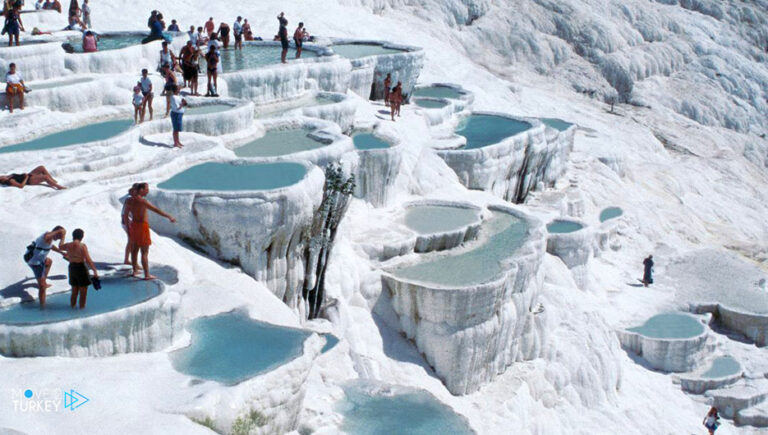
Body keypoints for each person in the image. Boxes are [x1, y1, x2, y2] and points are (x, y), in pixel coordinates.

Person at [125, 182, 176, 279]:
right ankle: (147, 275)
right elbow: (156, 210)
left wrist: (128, 228)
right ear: (141, 190)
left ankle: (135, 270)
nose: (148, 191)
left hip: (134, 226)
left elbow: (126, 215)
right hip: (142, 227)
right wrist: (169, 216)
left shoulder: (129, 201)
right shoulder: (143, 201)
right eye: (146, 189)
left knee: (134, 250)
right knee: (144, 252)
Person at [25, 226, 66, 308]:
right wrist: (61, 233)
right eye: (58, 236)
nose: (58, 239)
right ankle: (43, 307)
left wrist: (61, 253)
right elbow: (48, 236)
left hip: (37, 258)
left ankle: (42, 280)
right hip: (34, 262)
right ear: (56, 232)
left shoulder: (49, 240)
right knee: (42, 287)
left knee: (49, 261)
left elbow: (51, 246)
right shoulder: (47, 236)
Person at [60, 228, 98, 309]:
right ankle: (82, 310)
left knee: (74, 291)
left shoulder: (68, 245)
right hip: (81, 268)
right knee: (83, 292)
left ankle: (72, 308)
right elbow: (88, 259)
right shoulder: (82, 246)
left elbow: (60, 247)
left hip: (72, 267)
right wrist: (94, 270)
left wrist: (62, 237)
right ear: (81, 237)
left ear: (73, 236)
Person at [0, 166, 66, 189]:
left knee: (41, 167)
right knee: (45, 177)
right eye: (1, 177)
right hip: (29, 180)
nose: (2, 176)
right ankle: (58, 186)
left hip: (28, 175)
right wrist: (26, 178)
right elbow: (21, 186)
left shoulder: (7, 177)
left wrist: (25, 175)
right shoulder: (10, 181)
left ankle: (53, 181)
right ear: (2, 181)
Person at [121, 184, 138, 265]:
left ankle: (127, 260)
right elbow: (125, 212)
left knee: (131, 241)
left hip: (128, 221)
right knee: (132, 241)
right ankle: (132, 261)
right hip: (127, 221)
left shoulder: (130, 197)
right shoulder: (129, 198)